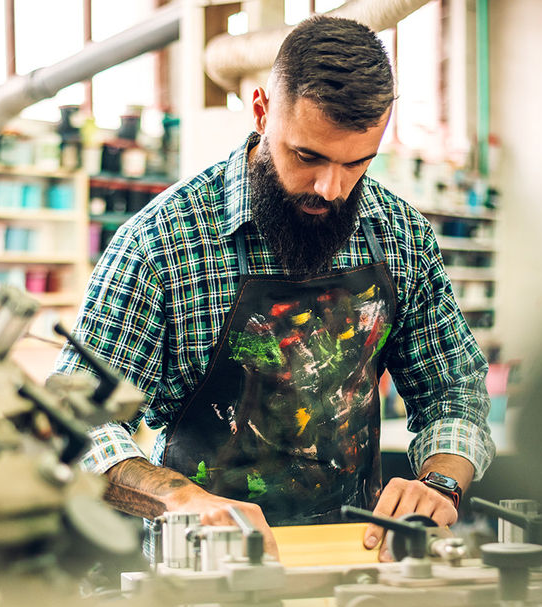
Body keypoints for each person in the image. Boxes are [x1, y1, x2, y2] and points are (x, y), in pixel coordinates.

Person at [52, 15, 494, 560]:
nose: (330, 189)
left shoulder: (399, 235)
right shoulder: (163, 242)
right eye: (307, 156)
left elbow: (453, 387)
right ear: (262, 111)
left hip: (360, 561)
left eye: (357, 163)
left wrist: (439, 484)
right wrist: (185, 501)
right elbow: (77, 421)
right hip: (205, 570)